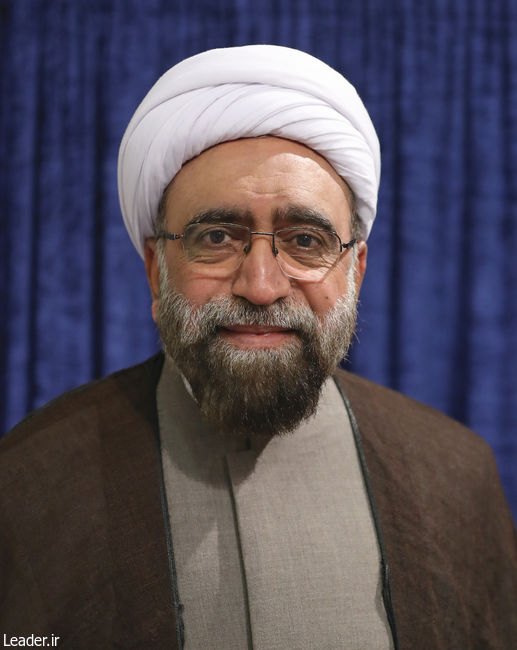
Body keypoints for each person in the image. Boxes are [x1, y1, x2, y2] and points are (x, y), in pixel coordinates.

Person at [1, 45, 516, 650]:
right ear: (155, 270)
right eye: (217, 237)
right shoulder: (28, 486)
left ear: (356, 271)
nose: (262, 286)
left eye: (306, 240)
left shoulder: (456, 478)